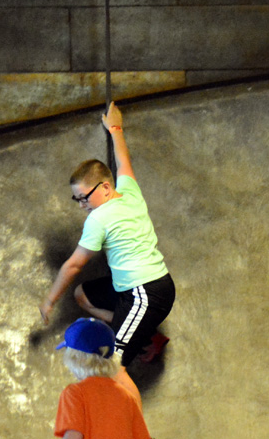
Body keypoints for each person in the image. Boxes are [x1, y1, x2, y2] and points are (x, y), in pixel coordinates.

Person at [39, 102, 176, 371]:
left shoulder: (99, 218)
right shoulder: (129, 190)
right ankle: (146, 335)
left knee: (113, 364)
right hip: (132, 289)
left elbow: (74, 265)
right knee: (83, 296)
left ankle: (139, 337)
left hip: (146, 294)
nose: (81, 205)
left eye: (84, 198)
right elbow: (123, 161)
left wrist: (49, 300)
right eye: (76, 199)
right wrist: (115, 128)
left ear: (103, 188)